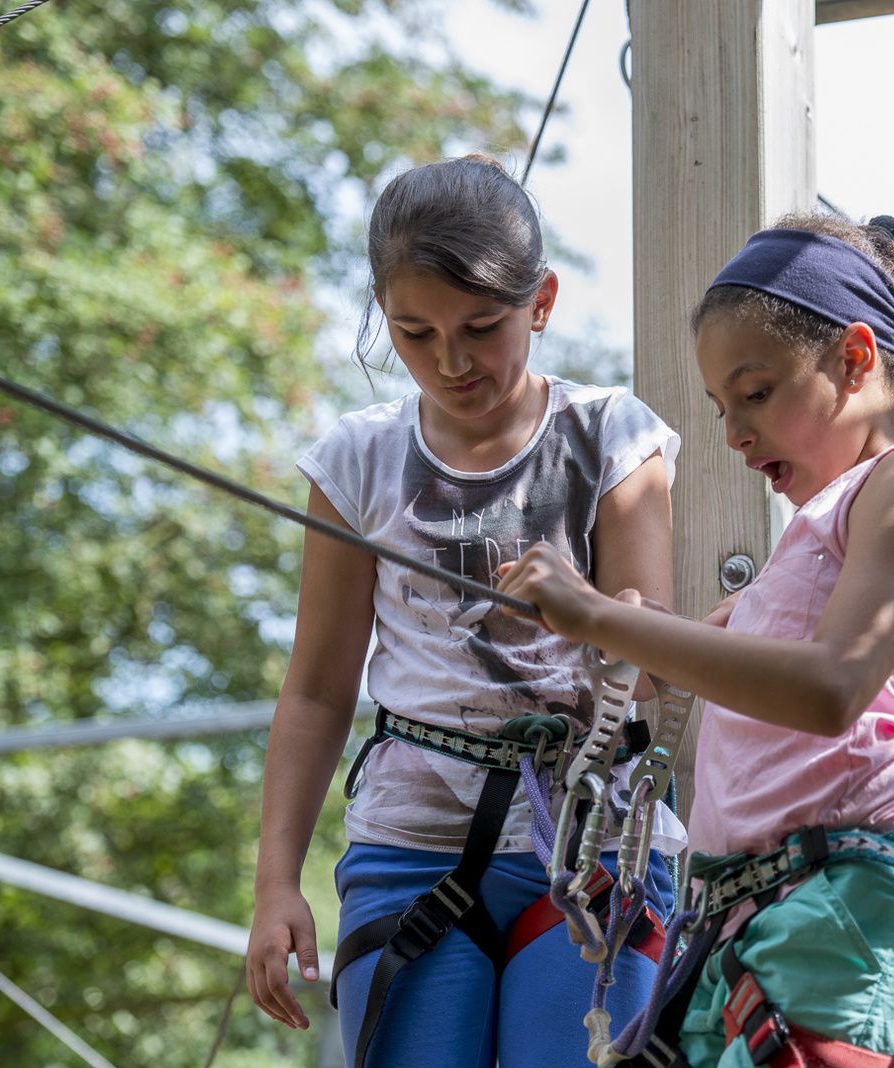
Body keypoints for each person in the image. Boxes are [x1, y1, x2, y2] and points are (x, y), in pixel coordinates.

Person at [499, 212, 894, 1068]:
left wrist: (601, 617)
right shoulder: (795, 564)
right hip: (750, 919)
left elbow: (831, 688)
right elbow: (662, 670)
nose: (733, 433)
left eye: (756, 393)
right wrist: (593, 622)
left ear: (855, 358)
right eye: (721, 408)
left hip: (855, 899)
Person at [243, 153, 683, 1068]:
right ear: (382, 314)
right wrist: (275, 881)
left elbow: (651, 667)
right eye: (415, 333)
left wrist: (586, 612)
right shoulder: (358, 460)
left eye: (481, 328)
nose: (451, 361)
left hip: (590, 838)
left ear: (541, 301)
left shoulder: (609, 436)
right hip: (412, 843)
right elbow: (319, 688)